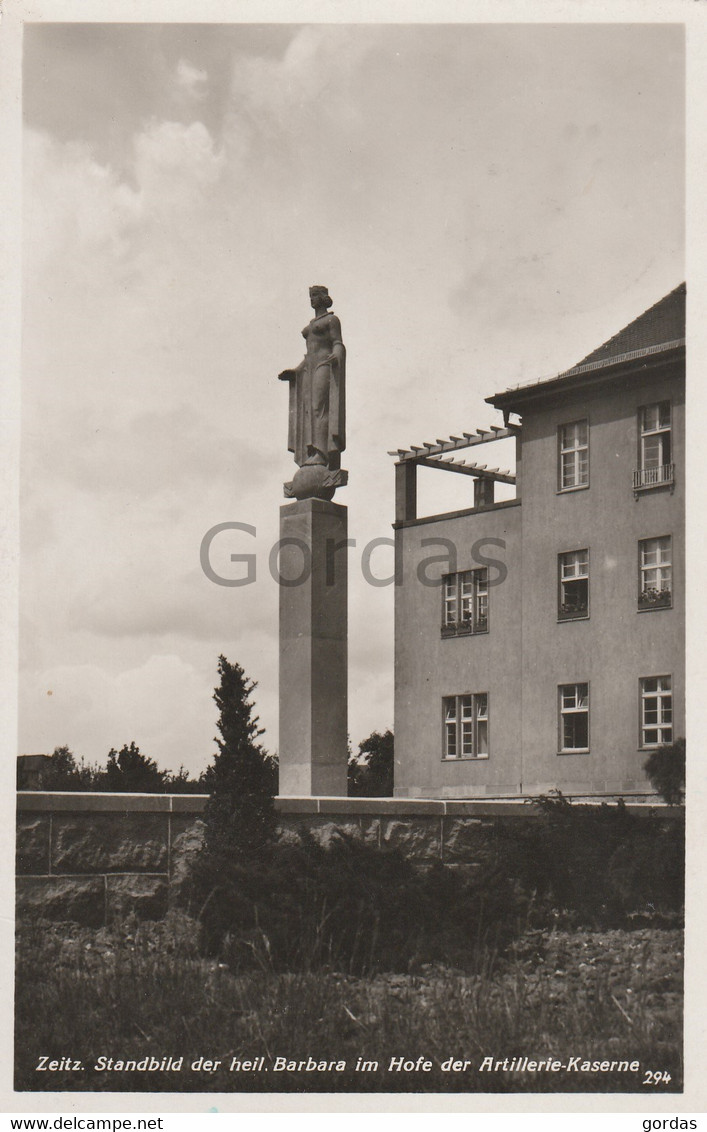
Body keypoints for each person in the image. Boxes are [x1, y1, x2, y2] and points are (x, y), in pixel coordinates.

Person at [279, 285, 346, 470]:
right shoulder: (310, 326)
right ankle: (311, 451)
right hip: (309, 369)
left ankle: (321, 453)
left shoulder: (332, 320)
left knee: (319, 408)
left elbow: (338, 343)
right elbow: (308, 355)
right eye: (310, 296)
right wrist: (294, 372)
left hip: (323, 365)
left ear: (324, 297)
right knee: (308, 411)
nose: (312, 299)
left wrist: (337, 355)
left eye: (315, 295)